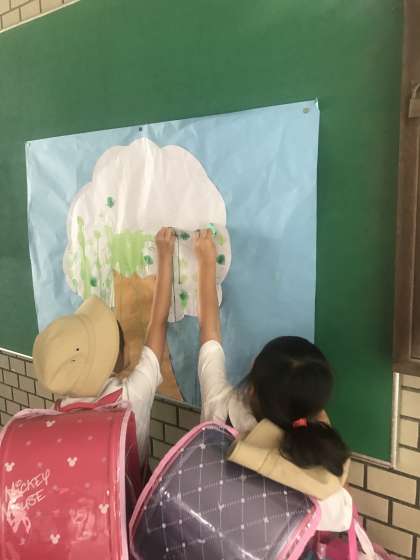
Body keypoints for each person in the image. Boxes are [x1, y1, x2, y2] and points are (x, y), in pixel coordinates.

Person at [194, 228, 352, 528]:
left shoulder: (220, 409)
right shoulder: (323, 479)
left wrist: (206, 264)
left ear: (253, 378)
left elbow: (209, 337)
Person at [32, 227, 175, 460]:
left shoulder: (58, 413)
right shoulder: (130, 399)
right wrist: (165, 255)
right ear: (115, 359)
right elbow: (158, 323)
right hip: (134, 486)